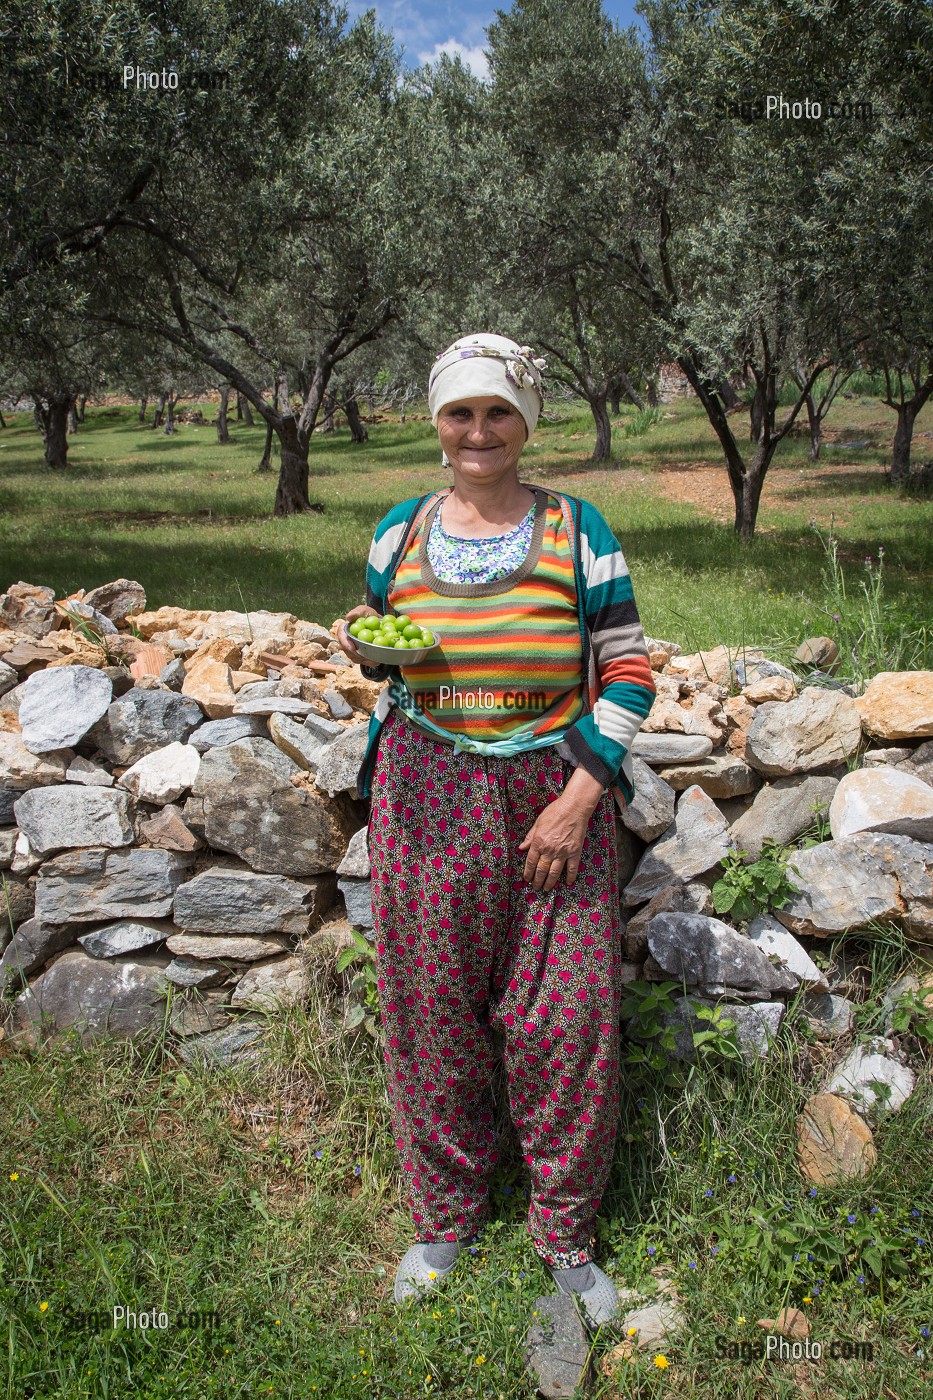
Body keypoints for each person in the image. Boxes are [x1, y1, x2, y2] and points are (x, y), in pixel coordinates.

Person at [334, 332, 656, 1328]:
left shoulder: (577, 528)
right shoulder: (400, 529)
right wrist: (363, 637)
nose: (480, 431)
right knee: (431, 1011)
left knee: (564, 1018)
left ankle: (564, 1230)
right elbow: (389, 651)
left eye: (498, 412)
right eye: (460, 412)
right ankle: (446, 1217)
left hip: (551, 799)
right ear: (438, 423)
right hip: (424, 791)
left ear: (527, 422)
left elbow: (630, 669)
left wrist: (580, 792)